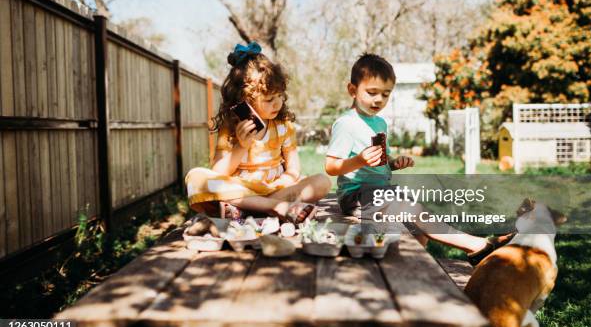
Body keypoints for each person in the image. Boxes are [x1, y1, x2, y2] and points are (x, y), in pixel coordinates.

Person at [324, 53, 512, 264]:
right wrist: (358, 161)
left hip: (382, 192)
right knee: (414, 211)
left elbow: (380, 161)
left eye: (386, 94)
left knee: (419, 225)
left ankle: (413, 266)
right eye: (372, 92)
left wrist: (393, 163)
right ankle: (478, 246)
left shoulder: (380, 123)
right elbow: (331, 167)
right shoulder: (346, 124)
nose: (379, 99)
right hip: (356, 196)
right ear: (352, 90)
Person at [186, 42, 331, 223]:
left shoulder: (283, 125)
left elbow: (294, 168)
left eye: (280, 96)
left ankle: (248, 210)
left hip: (276, 188)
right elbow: (218, 172)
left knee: (322, 182)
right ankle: (273, 207)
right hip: (241, 190)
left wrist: (285, 181)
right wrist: (241, 146)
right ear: (244, 99)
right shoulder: (231, 128)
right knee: (196, 178)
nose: (277, 104)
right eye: (269, 99)